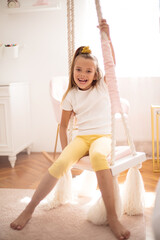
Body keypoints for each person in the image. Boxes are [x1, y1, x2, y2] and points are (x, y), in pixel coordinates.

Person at [10, 19, 130, 240]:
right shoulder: (71, 96)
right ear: (72, 71)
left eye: (88, 71)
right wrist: (67, 152)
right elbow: (63, 126)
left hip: (103, 137)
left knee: (98, 158)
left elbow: (112, 62)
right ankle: (29, 209)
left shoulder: (103, 86)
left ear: (96, 74)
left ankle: (112, 217)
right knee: (60, 163)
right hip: (81, 138)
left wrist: (107, 36)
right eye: (78, 70)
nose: (82, 74)